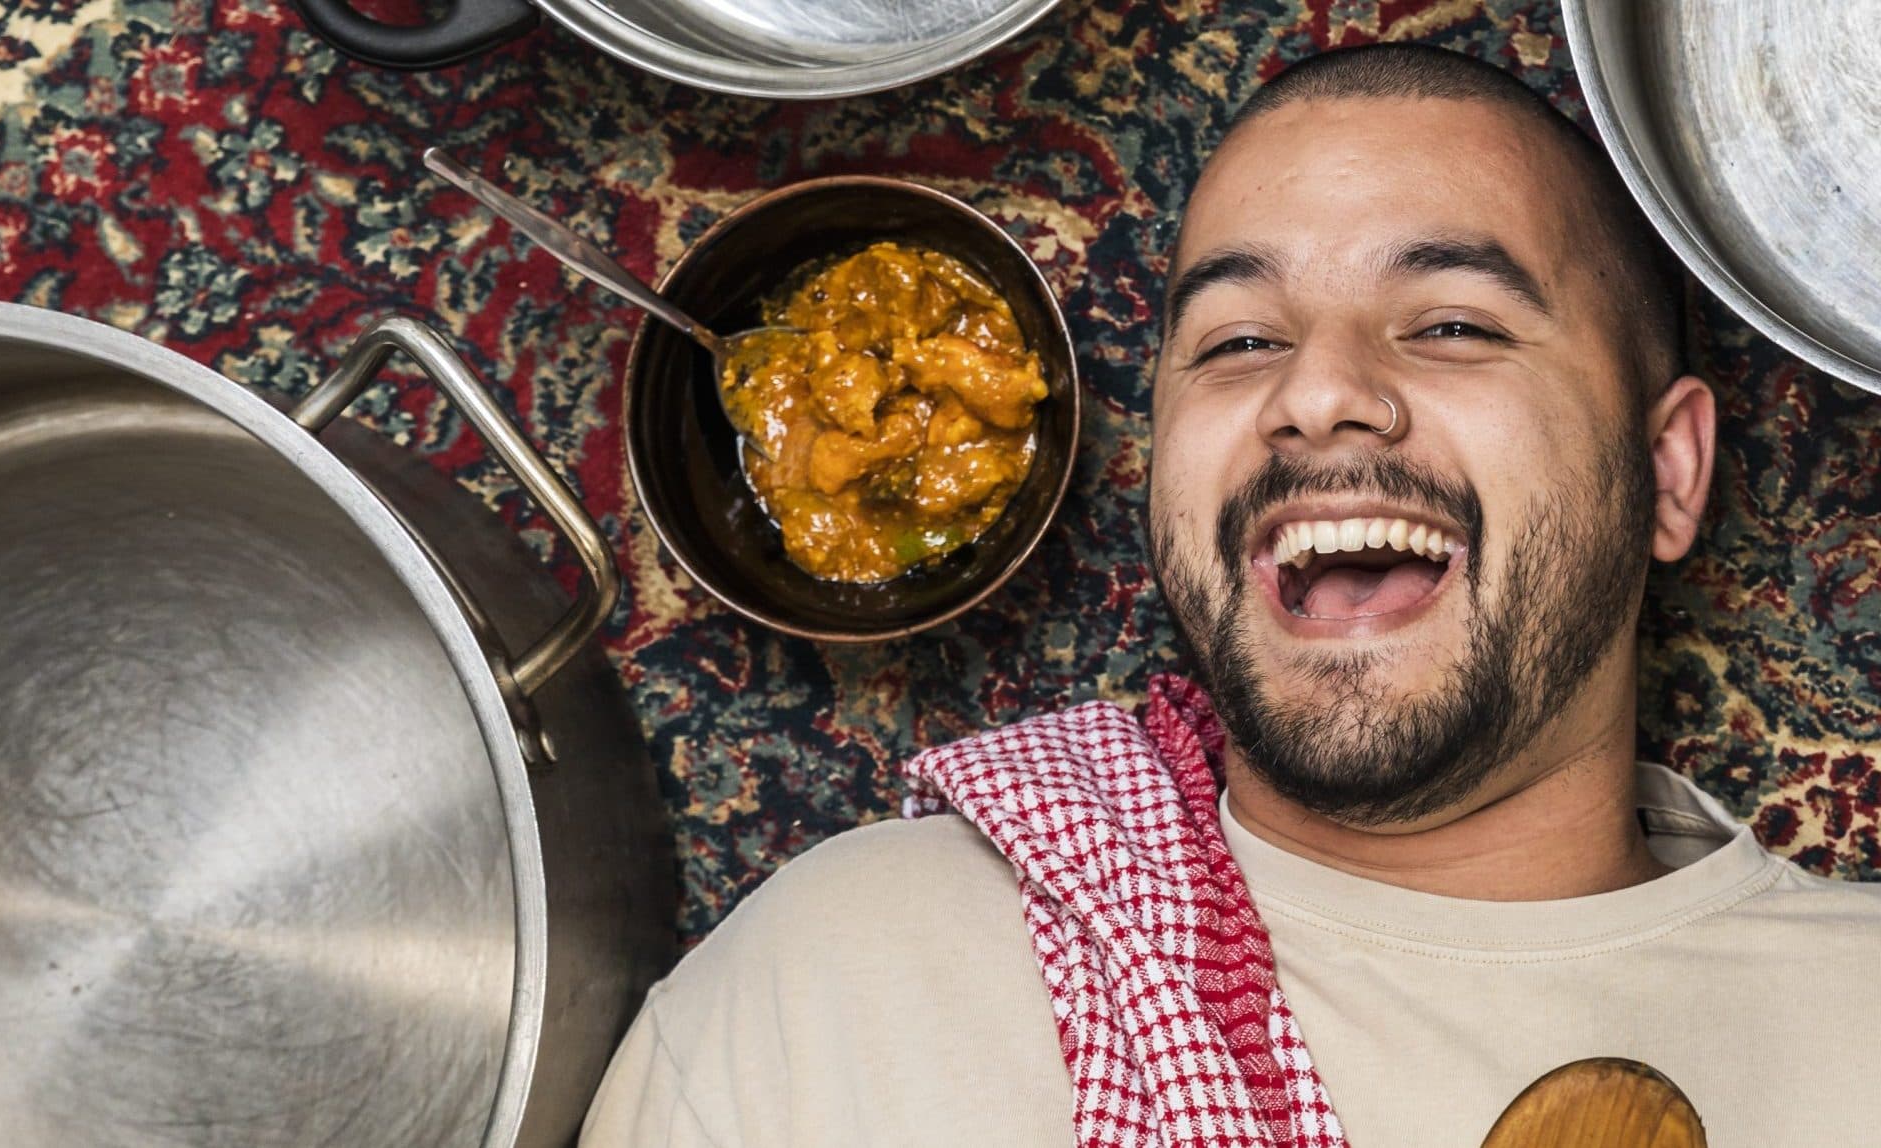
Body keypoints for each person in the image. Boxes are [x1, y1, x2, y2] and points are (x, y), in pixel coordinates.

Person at [579, 43, 1881, 1148]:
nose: (1313, 394)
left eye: (1452, 324)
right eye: (1241, 342)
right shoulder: (834, 982)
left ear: (1666, 474)